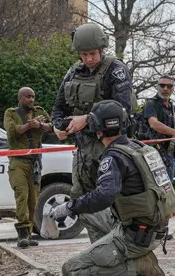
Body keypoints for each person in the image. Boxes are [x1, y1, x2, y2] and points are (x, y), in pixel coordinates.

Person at [49, 100, 175, 276]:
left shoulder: (114, 157)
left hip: (134, 236)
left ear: (96, 129)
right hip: (152, 227)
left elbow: (104, 196)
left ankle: (137, 266)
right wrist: (77, 207)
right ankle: (105, 253)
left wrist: (69, 207)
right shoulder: (138, 147)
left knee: (72, 269)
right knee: (85, 210)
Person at [51, 23, 133, 244]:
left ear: (101, 49)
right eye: (84, 55)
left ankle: (121, 250)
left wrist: (87, 120)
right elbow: (58, 108)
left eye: (92, 54)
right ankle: (100, 250)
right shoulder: (73, 72)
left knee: (111, 199)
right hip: (82, 150)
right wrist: (60, 127)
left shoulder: (115, 70)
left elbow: (123, 111)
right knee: (83, 201)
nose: (88, 59)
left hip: (111, 147)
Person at [3, 87, 53, 248]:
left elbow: (52, 127)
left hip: (35, 162)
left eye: (33, 97)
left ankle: (29, 233)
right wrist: (27, 126)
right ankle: (22, 234)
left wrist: (40, 125)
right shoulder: (11, 113)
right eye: (27, 97)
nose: (31, 100)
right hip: (19, 161)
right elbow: (12, 132)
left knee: (34, 199)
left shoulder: (40, 112)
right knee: (22, 195)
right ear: (20, 98)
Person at [143, 75, 175, 181]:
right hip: (154, 156)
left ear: (173, 89)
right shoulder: (151, 103)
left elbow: (174, 134)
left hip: (170, 156)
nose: (165, 88)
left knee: (168, 189)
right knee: (159, 190)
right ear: (157, 87)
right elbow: (153, 124)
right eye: (162, 85)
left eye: (169, 86)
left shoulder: (173, 108)